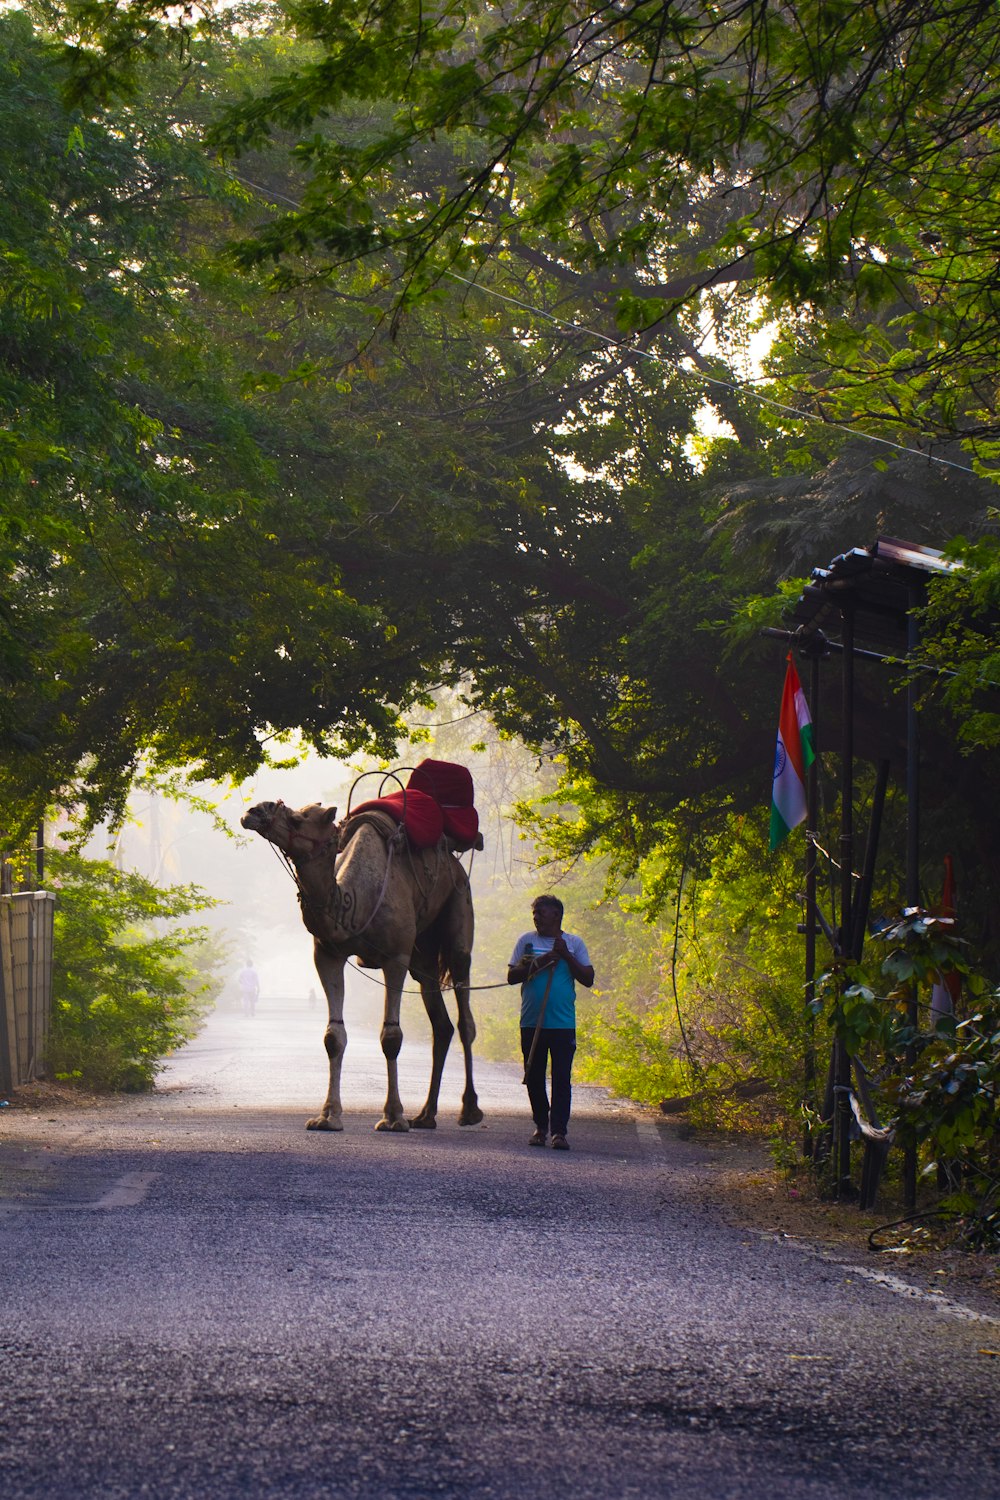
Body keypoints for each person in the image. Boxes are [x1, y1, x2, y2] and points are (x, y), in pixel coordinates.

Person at [508, 894, 594, 1151]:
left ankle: (559, 1132)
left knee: (560, 1078)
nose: (536, 919)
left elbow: (588, 978)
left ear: (556, 915)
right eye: (534, 914)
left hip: (562, 1023)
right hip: (531, 1022)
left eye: (541, 914)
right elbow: (512, 976)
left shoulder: (573, 943)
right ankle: (540, 1127)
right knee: (533, 1076)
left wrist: (566, 956)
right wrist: (541, 961)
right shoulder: (527, 942)